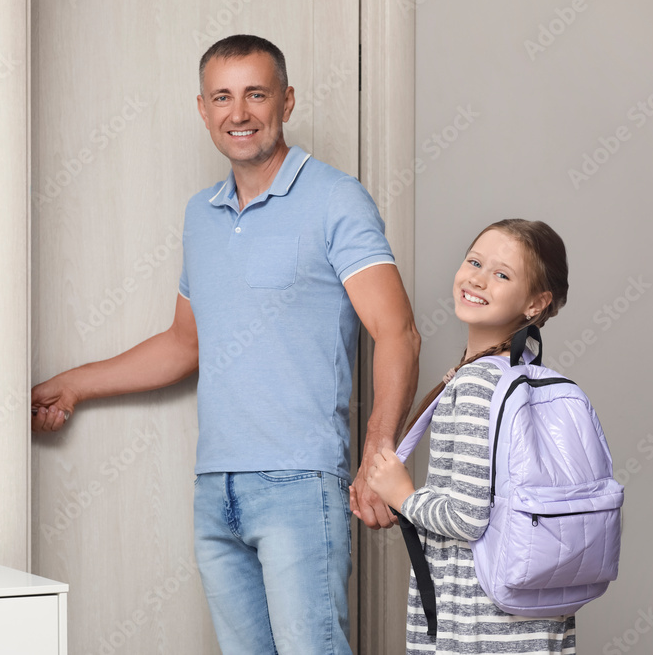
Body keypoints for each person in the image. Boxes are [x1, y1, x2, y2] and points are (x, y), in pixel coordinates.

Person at [31, 34, 420, 654]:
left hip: (300, 481)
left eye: (255, 94)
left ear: (286, 102)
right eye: (222, 97)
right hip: (216, 488)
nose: (238, 113)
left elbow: (396, 331)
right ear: (203, 108)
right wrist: (72, 384)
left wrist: (378, 455)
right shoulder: (201, 214)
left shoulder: (334, 198)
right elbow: (185, 344)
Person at [358, 219, 577, 654]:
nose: (477, 278)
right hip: (534, 619)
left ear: (537, 303)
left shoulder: (478, 384)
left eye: (502, 274)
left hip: (477, 626)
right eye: (474, 261)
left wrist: (402, 496)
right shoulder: (530, 375)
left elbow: (466, 518)